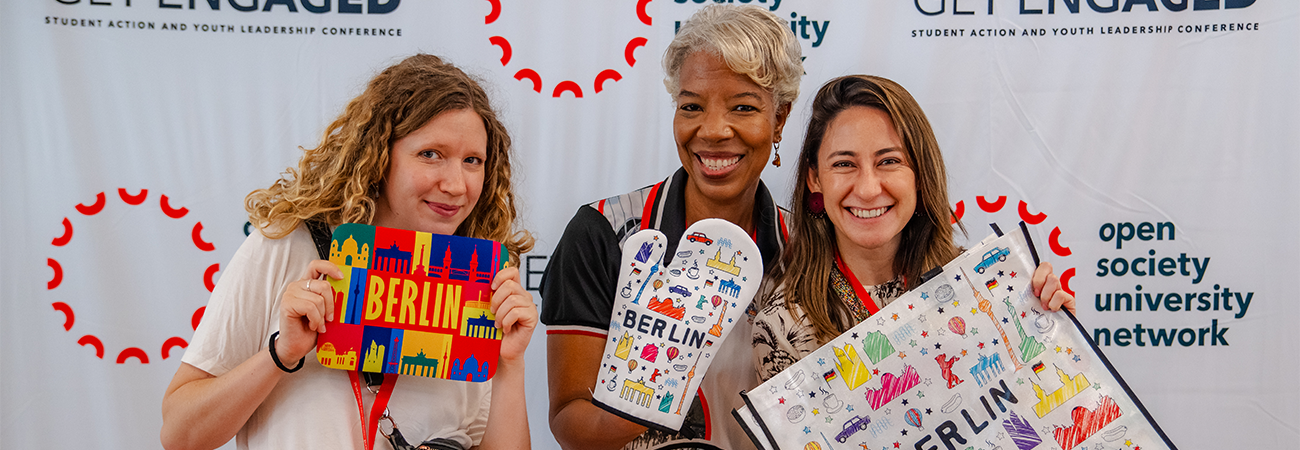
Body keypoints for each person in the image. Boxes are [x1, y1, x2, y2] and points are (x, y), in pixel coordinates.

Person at [160, 54, 536, 450]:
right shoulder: (286, 246)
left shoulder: (479, 291)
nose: (457, 185)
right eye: (430, 154)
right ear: (379, 155)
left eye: (473, 161)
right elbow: (180, 435)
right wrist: (281, 354)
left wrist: (509, 365)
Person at [540, 5, 802, 450]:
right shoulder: (604, 232)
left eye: (743, 107)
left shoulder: (807, 248)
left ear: (779, 119)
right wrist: (659, 383)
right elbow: (570, 425)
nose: (712, 130)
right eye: (691, 106)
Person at [752, 75, 1077, 382]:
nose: (867, 189)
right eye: (844, 164)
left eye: (889, 161)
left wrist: (1061, 339)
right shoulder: (782, 328)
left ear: (920, 174)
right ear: (815, 179)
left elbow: (1049, 406)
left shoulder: (986, 288)